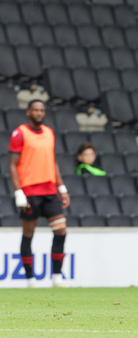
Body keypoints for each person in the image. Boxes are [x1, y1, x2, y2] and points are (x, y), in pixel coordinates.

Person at [9, 100, 71, 288]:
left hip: (50, 190)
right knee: (28, 234)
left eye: (42, 110)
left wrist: (61, 187)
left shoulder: (49, 133)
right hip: (29, 191)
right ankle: (30, 279)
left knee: (61, 231)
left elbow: (52, 162)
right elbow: (12, 164)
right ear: (28, 112)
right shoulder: (20, 133)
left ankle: (57, 278)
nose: (39, 113)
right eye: (35, 110)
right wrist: (18, 191)